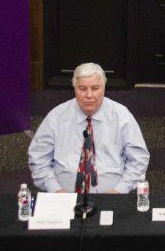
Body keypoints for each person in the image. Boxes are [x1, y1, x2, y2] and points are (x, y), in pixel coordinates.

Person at [28, 62, 150, 194]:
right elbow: (38, 158)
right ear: (74, 88)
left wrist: (120, 190)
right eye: (82, 88)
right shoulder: (56, 116)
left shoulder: (121, 116)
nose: (89, 95)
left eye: (95, 88)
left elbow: (138, 159)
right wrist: (55, 190)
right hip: (63, 196)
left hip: (112, 195)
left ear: (103, 88)